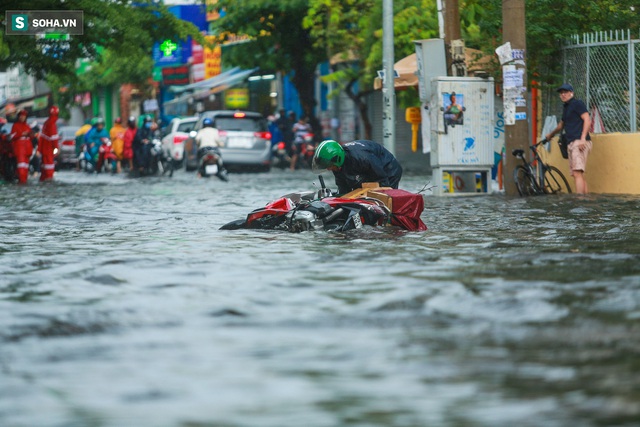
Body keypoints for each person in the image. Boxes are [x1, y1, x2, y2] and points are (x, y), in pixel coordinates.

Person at [545, 83, 592, 194]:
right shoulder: (566, 107)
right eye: (561, 93)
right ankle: (584, 200)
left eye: (565, 92)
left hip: (579, 141)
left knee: (577, 173)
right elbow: (561, 125)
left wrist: (583, 138)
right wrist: (550, 135)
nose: (563, 95)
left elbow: (587, 119)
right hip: (571, 143)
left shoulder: (577, 104)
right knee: (578, 174)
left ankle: (579, 201)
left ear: (571, 93)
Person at [312, 139, 403, 195]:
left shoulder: (361, 158)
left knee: (385, 198)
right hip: (367, 172)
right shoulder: (336, 165)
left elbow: (382, 180)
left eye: (329, 166)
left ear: (337, 159)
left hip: (388, 169)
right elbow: (343, 185)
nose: (328, 169)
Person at [9, 109, 33, 184]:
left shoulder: (27, 126)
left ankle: (23, 181)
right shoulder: (15, 126)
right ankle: (21, 181)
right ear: (19, 117)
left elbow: (31, 137)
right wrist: (21, 134)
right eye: (21, 116)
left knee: (25, 168)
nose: (22, 117)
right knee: (21, 168)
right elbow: (12, 136)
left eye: (24, 116)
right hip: (20, 150)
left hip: (27, 151)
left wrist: (30, 134)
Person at [37, 106, 60, 182]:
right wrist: (56, 149)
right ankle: (48, 181)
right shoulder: (52, 124)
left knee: (44, 169)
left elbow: (41, 138)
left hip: (44, 150)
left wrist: (39, 149)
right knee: (49, 168)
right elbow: (54, 139)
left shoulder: (46, 122)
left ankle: (44, 180)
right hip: (49, 150)